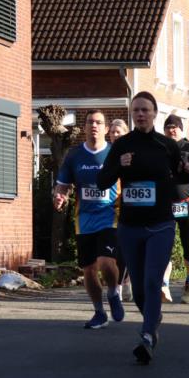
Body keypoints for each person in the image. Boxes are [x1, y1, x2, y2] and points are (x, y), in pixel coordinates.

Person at [96, 92, 181, 364]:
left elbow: (183, 182)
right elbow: (101, 181)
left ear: (155, 113)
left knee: (153, 281)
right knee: (140, 291)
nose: (141, 114)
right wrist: (118, 166)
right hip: (130, 227)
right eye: (136, 110)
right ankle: (153, 321)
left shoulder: (167, 145)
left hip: (161, 224)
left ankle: (147, 336)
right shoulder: (121, 146)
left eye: (145, 110)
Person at [53, 110, 125, 329]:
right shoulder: (74, 155)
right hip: (83, 219)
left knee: (105, 261)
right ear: (84, 128)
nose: (94, 126)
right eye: (90, 122)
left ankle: (113, 292)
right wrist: (59, 195)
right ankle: (99, 312)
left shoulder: (114, 153)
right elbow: (62, 184)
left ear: (105, 129)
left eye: (99, 123)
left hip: (110, 216)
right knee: (88, 269)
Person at [162, 114, 189, 304]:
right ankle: (163, 284)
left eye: (175, 127)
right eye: (168, 127)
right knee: (164, 243)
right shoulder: (160, 148)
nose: (172, 130)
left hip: (186, 203)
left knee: (187, 243)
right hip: (166, 204)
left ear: (181, 129)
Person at [107, 119, 131, 301]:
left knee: (124, 247)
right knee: (114, 248)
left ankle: (122, 284)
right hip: (106, 208)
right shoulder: (105, 152)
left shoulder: (130, 152)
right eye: (112, 132)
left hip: (126, 205)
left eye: (118, 132)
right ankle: (120, 282)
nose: (115, 135)